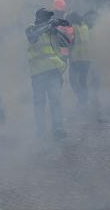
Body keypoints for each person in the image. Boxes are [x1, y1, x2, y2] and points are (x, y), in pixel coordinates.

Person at [25, 8, 70, 140]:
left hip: (53, 72)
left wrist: (57, 29)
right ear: (39, 17)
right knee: (39, 103)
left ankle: (58, 129)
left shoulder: (51, 30)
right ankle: (40, 131)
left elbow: (67, 43)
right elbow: (32, 37)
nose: (49, 19)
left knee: (55, 101)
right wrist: (49, 25)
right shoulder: (31, 28)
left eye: (50, 17)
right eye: (47, 17)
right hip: (37, 73)